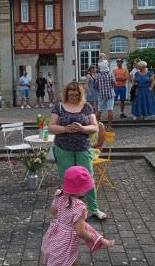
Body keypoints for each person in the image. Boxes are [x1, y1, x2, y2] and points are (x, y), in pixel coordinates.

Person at [49, 82, 108, 220]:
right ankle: (69, 209)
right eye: (71, 95)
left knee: (88, 178)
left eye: (76, 95)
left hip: (83, 147)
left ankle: (94, 209)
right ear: (66, 94)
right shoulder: (58, 107)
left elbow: (94, 127)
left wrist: (82, 128)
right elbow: (51, 127)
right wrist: (65, 129)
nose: (74, 97)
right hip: (63, 148)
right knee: (67, 180)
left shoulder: (87, 107)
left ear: (80, 94)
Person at [41, 166, 115, 266]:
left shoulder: (60, 195)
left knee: (67, 259)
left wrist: (55, 198)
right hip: (67, 240)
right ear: (81, 190)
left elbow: (53, 211)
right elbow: (80, 232)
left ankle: (101, 239)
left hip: (56, 232)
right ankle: (99, 239)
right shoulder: (79, 206)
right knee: (67, 260)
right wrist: (90, 238)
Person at [96, 58, 115, 130]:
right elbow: (114, 84)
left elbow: (96, 85)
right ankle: (109, 126)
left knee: (99, 110)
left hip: (101, 94)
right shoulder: (110, 74)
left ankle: (97, 125)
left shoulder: (98, 75)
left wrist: (100, 88)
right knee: (110, 110)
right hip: (110, 94)